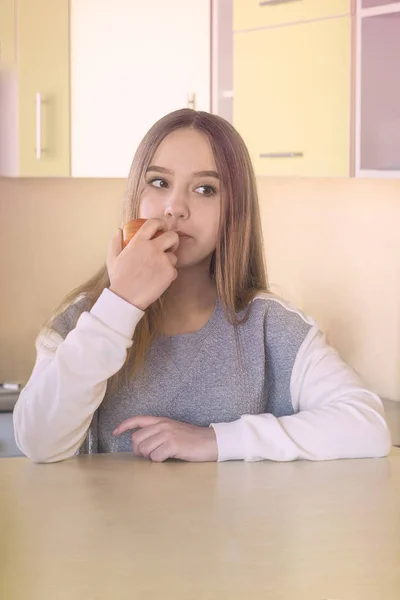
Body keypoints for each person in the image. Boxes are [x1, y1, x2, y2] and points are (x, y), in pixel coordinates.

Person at [13, 109, 391, 464]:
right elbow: (37, 442)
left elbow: (368, 427)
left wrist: (215, 440)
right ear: (136, 196)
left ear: (234, 211)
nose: (175, 207)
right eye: (159, 182)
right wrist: (120, 304)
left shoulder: (270, 327)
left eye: (206, 189)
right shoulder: (86, 318)